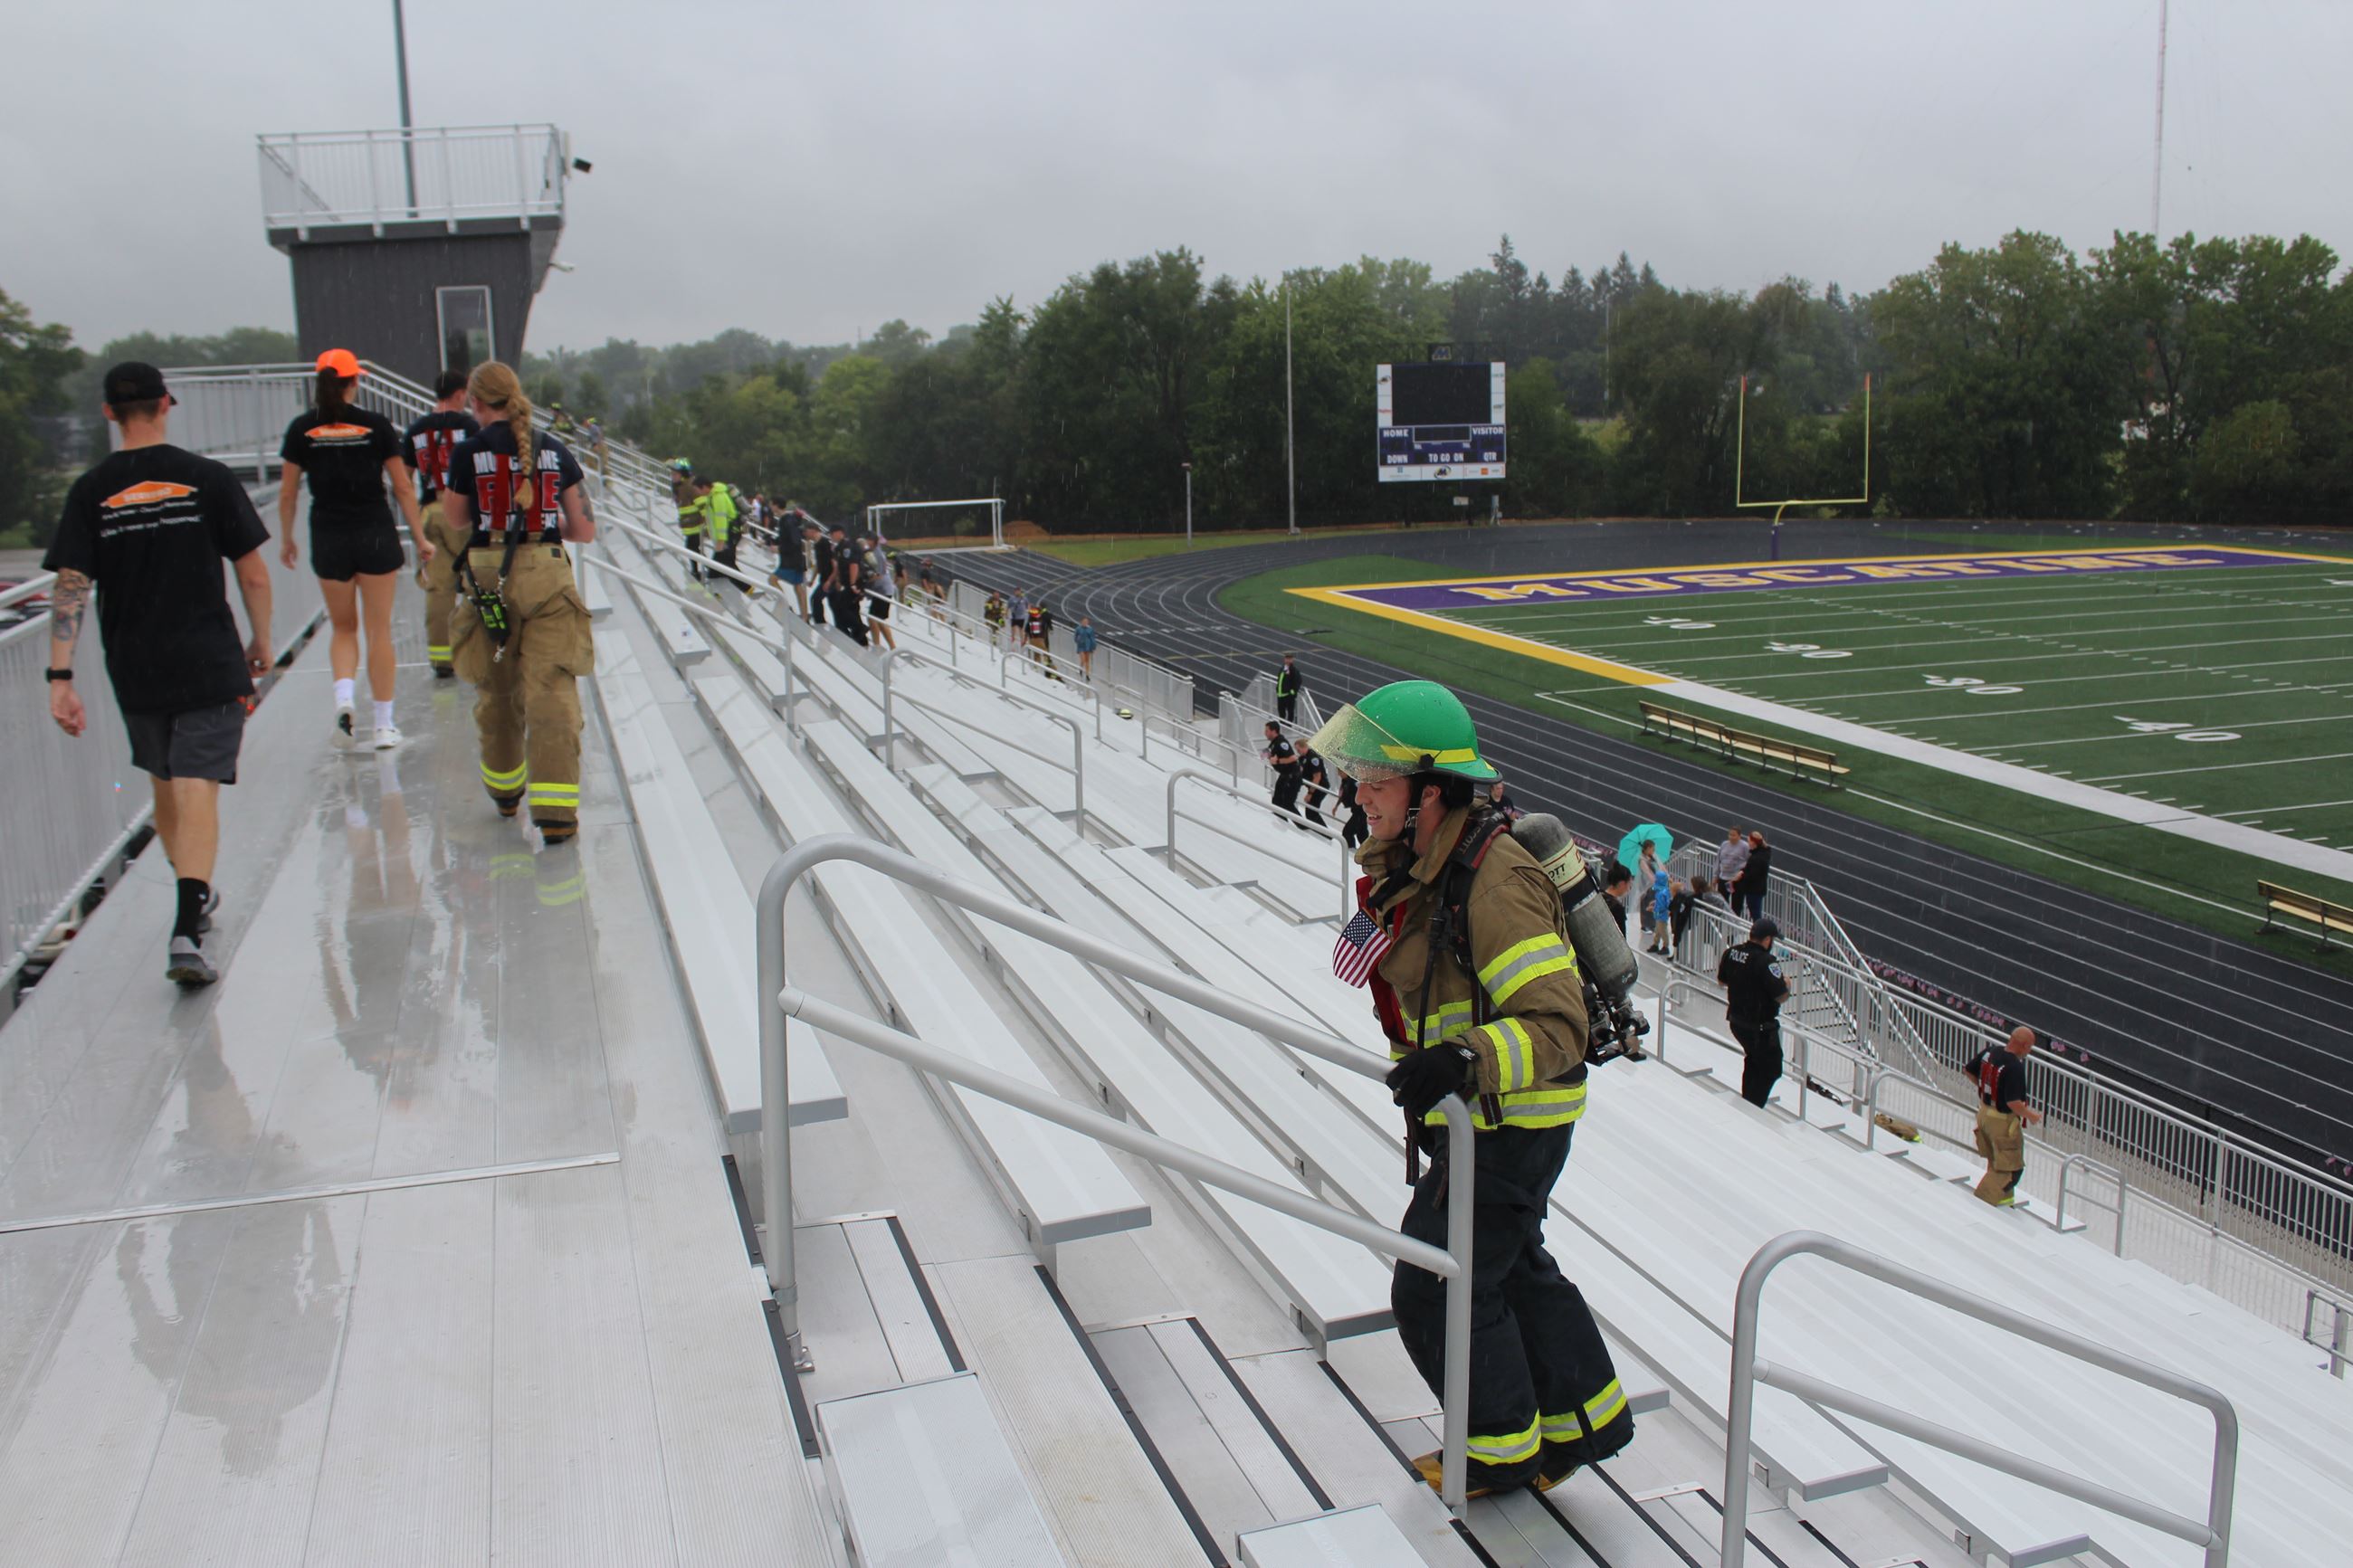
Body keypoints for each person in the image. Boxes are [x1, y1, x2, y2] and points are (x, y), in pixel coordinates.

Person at [1310, 679, 1628, 1496]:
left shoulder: (1493, 879)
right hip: (1479, 1118)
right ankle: (1580, 1423)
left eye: (1376, 779)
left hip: (1511, 1121)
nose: (1359, 792)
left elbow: (1558, 1028)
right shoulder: (1425, 862)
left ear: (1429, 790)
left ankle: (1498, 1449)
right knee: (1512, 1269)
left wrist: (1460, 1060)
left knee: (1431, 1285)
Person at [43, 362, 274, 986]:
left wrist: (59, 675)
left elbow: (71, 585)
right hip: (206, 653)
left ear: (108, 413)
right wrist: (262, 639)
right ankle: (185, 926)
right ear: (166, 403)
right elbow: (253, 572)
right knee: (197, 779)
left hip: (134, 661)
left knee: (167, 784)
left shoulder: (91, 489)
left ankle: (191, 897)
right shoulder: (207, 478)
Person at [443, 361, 597, 844]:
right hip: (547, 572)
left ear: (476, 402)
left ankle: (506, 794)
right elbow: (584, 530)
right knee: (551, 690)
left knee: (499, 688)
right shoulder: (555, 450)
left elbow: (456, 520)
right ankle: (556, 815)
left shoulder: (469, 452)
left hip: (491, 574)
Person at [279, 348, 427, 750]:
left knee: (343, 627)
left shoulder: (300, 429)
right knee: (379, 631)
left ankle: (345, 700)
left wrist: (287, 538)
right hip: (375, 532)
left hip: (329, 535)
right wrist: (420, 536)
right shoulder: (375, 426)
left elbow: (289, 492)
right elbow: (401, 487)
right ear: (353, 381)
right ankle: (383, 724)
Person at [402, 369, 479, 679]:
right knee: (477, 582)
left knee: (439, 589)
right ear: (460, 394)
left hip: (430, 510)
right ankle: (479, 653)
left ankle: (441, 660)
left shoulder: (416, 430)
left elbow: (403, 478)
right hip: (462, 512)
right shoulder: (469, 426)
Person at [1716, 916, 1790, 1107]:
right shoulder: (1767, 961)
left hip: (1737, 1021)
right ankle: (1753, 1107)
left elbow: (1722, 981)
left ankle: (1748, 1100)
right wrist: (1787, 985)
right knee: (1772, 1068)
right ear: (1767, 940)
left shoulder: (1732, 952)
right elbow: (1781, 995)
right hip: (1760, 1028)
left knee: (1753, 1061)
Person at [1968, 1027, 2043, 1207]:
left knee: (1996, 1160)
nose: (2029, 1051)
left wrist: (1985, 1089)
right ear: (2024, 1046)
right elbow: (2013, 1103)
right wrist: (2031, 1116)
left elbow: (1969, 1070)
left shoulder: (1990, 1052)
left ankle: (2005, 1199)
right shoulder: (2014, 1067)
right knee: (2011, 1169)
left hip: (1984, 1113)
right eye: (2030, 1047)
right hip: (2002, 1122)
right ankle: (1983, 1201)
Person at [825, 527, 868, 646]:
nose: (831, 536)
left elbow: (853, 565)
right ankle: (860, 638)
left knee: (842, 606)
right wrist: (837, 580)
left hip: (854, 582)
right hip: (847, 581)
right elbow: (839, 567)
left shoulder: (848, 547)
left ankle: (860, 628)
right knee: (852, 609)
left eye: (833, 534)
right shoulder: (840, 548)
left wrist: (853, 583)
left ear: (840, 533)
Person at [768, 513, 811, 621]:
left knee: (772, 579)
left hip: (791, 562)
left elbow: (792, 544)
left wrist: (779, 548)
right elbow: (788, 540)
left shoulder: (788, 524)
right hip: (797, 561)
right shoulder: (793, 525)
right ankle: (805, 616)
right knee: (798, 587)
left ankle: (785, 603)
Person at [670, 459, 704, 580]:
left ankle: (698, 571)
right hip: (689, 525)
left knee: (691, 547)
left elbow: (701, 504)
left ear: (683, 474)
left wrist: (706, 523)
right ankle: (698, 569)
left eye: (675, 474)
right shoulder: (679, 486)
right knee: (691, 548)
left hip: (696, 525)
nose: (672, 477)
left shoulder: (690, 486)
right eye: (672, 474)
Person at [862, 536, 898, 651]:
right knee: (876, 619)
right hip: (882, 590)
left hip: (883, 590)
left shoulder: (876, 554)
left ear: (873, 541)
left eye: (868, 540)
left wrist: (864, 583)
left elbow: (878, 574)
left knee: (875, 619)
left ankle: (881, 646)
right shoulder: (874, 553)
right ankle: (885, 645)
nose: (866, 543)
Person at [1262, 719, 1301, 817]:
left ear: (1274, 731)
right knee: (1277, 800)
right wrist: (1268, 756)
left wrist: (1278, 761)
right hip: (1284, 775)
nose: (1265, 733)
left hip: (1291, 775)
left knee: (1286, 803)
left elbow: (1293, 758)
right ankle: (1280, 821)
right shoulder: (1273, 743)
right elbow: (1265, 755)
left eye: (1267, 731)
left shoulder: (1281, 742)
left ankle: (1303, 826)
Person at [1732, 830, 1773, 921]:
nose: (1748, 843)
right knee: (1755, 913)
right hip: (1758, 889)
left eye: (1749, 841)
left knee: (1755, 914)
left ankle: (1759, 933)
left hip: (1754, 890)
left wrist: (1741, 876)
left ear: (1754, 843)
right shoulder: (1762, 854)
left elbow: (1752, 875)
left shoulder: (1757, 858)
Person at [805, 520, 834, 626]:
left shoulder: (825, 543)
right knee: (832, 603)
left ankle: (820, 622)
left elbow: (833, 562)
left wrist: (831, 580)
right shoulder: (817, 544)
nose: (806, 534)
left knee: (815, 599)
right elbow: (818, 564)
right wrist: (812, 579)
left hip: (829, 577)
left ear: (813, 531)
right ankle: (820, 621)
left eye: (807, 531)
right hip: (824, 577)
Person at [1297, 745, 1329, 828]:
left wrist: (1310, 793)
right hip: (1314, 787)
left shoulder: (1313, 758)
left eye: (1298, 749)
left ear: (1304, 747)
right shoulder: (1303, 758)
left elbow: (1317, 777)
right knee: (1310, 811)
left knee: (1311, 811)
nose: (1297, 751)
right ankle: (1321, 832)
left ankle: (1326, 834)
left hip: (1320, 787)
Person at [1336, 773, 1368, 850]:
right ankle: (1368, 853)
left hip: (1360, 812)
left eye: (1340, 771)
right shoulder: (1345, 782)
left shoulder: (1353, 782)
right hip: (1357, 812)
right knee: (1362, 833)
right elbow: (1342, 795)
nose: (1339, 774)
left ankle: (1351, 850)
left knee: (1348, 832)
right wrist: (1336, 806)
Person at [1716, 825, 1749, 898]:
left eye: (1734, 835)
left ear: (1739, 836)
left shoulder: (1745, 846)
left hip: (1737, 880)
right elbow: (1718, 860)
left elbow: (1749, 860)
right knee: (1722, 902)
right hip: (1724, 878)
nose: (1731, 837)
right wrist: (1716, 876)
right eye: (1730, 835)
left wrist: (1743, 873)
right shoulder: (1724, 844)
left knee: (1736, 904)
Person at [1024, 598, 1054, 673]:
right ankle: (1046, 668)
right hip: (1041, 638)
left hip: (1033, 637)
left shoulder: (1033, 616)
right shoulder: (1043, 615)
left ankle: (1036, 667)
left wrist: (1025, 638)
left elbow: (1027, 627)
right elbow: (1049, 617)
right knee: (1045, 652)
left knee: (1036, 653)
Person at [1276, 652, 1302, 721]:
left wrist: (1293, 691)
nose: (1288, 660)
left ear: (1292, 660)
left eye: (1289, 659)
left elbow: (1298, 680)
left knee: (1290, 712)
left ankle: (1289, 727)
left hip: (1288, 695)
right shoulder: (1282, 668)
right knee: (1281, 712)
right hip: (1280, 695)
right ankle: (1282, 724)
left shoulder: (1294, 670)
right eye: (1287, 658)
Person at [1072, 613, 1097, 679]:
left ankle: (1087, 675)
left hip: (1088, 646)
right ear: (1081, 622)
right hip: (1081, 646)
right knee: (1083, 660)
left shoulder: (1090, 629)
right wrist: (1077, 640)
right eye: (1084, 622)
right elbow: (1075, 637)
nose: (1085, 623)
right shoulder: (1078, 629)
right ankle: (1081, 669)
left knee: (1087, 661)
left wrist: (1094, 647)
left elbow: (1092, 639)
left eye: (1086, 622)